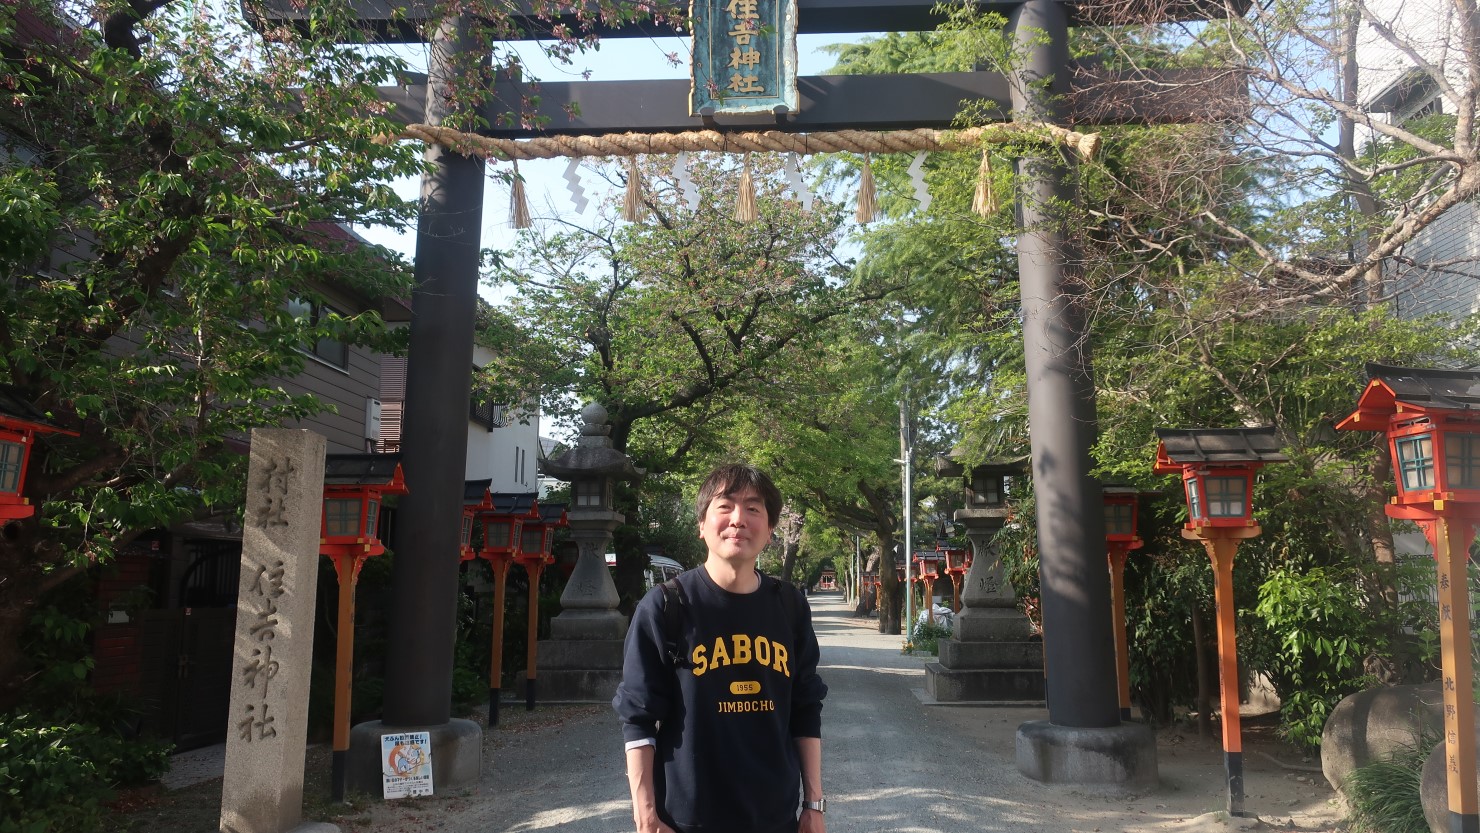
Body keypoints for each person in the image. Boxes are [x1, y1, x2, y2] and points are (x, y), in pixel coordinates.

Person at [613, 464, 828, 833]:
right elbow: (638, 718)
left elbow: (805, 709)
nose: (738, 519)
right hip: (686, 821)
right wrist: (645, 816)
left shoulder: (789, 606)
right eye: (725, 506)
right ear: (701, 524)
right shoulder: (666, 606)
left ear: (770, 529)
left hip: (775, 820)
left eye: (753, 508)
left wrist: (814, 804)